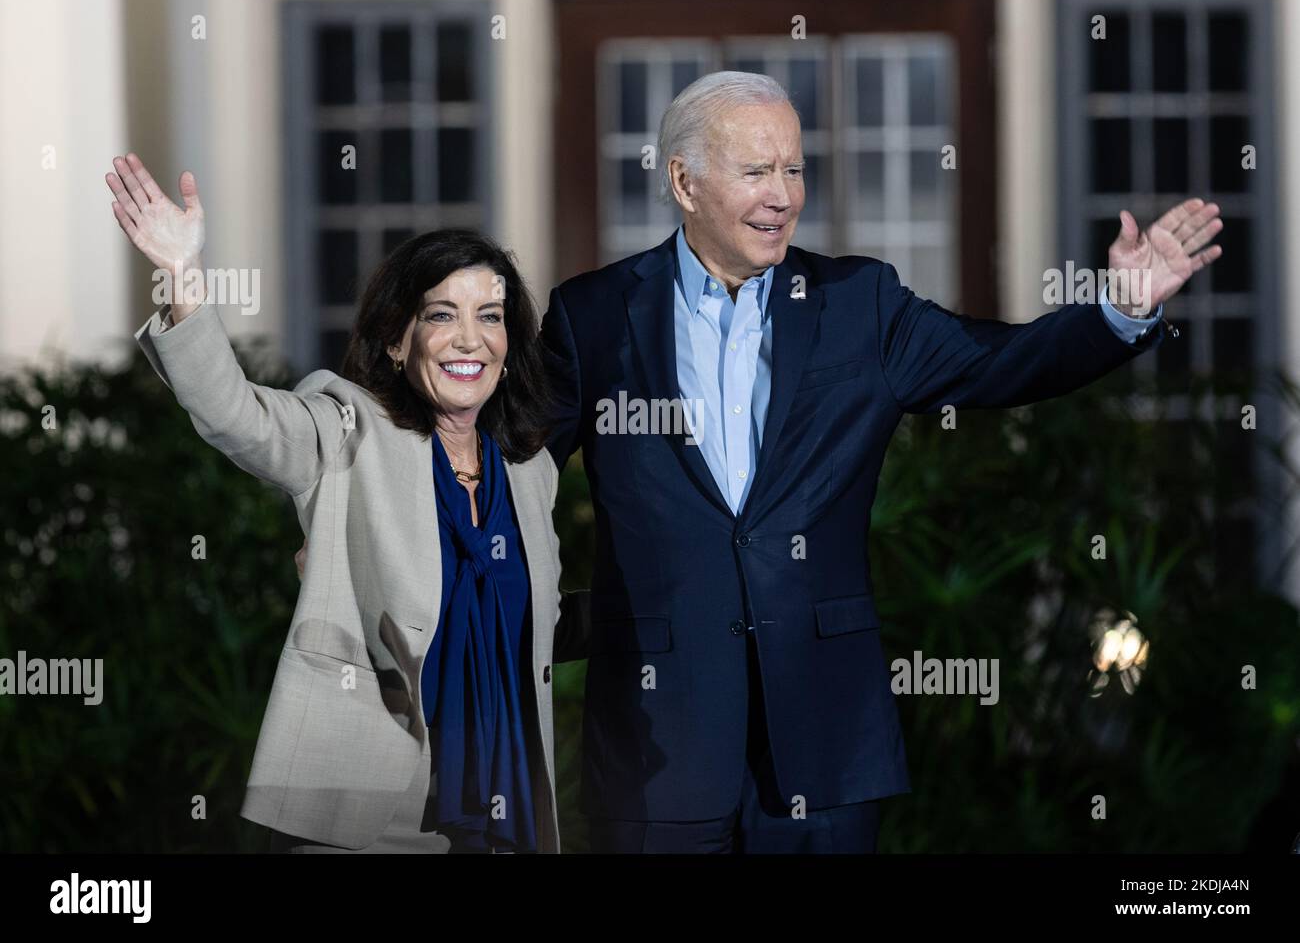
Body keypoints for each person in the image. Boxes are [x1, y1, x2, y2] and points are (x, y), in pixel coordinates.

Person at [538, 71, 1222, 852]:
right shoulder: (592, 315)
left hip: (824, 745)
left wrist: (1120, 310)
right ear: (684, 181)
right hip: (654, 749)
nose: (783, 195)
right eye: (756, 171)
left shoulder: (860, 303)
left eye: (794, 169)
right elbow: (506, 474)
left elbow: (1002, 361)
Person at [106, 153, 583, 853]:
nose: (469, 339)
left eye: (490, 317)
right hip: (378, 815)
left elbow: (536, 621)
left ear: (509, 347)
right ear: (397, 340)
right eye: (441, 315)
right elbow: (235, 417)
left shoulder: (529, 470)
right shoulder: (345, 430)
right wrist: (183, 276)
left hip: (510, 819)